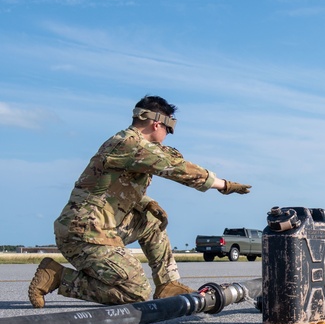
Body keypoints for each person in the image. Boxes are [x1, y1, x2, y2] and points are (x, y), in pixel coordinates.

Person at [28, 95, 251, 308]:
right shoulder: (129, 144)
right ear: (156, 124)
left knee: (151, 220)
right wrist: (223, 185)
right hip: (83, 234)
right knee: (136, 292)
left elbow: (110, 188)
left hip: (101, 228)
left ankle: (167, 284)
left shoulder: (129, 147)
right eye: (168, 129)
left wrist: (145, 202)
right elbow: (176, 168)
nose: (168, 135)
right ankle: (59, 277)